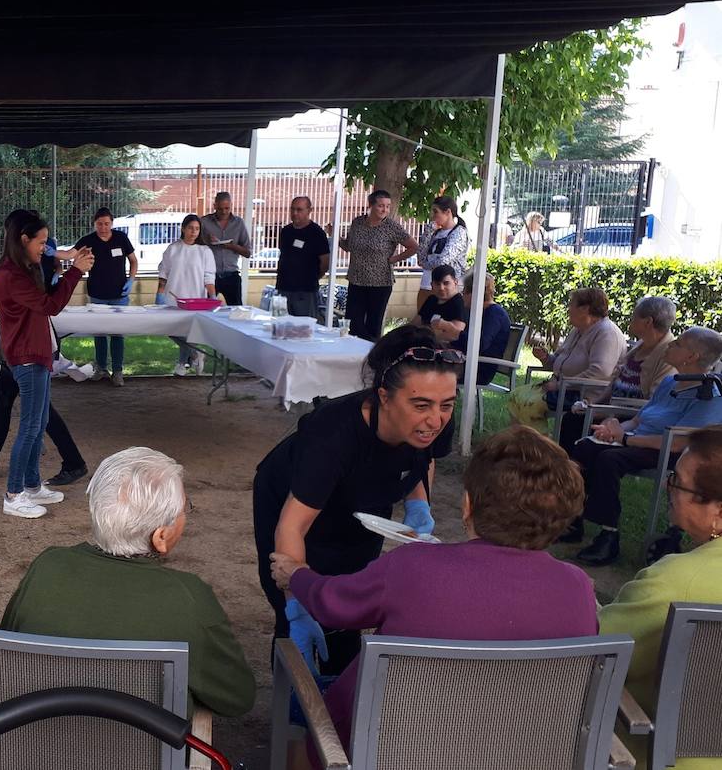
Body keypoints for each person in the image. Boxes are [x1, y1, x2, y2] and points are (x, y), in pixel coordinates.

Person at [269, 425, 597, 749]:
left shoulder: (413, 566)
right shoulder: (577, 587)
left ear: (467, 505)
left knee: (302, 717)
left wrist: (296, 575)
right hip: (523, 749)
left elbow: (332, 604)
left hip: (395, 747)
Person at [252, 325, 461, 674]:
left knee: (349, 594)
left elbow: (422, 460)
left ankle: (339, 676)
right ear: (384, 397)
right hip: (292, 499)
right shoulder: (332, 435)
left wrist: (418, 504)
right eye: (421, 405)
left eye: (447, 405)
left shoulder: (436, 417)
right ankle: (292, 687)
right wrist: (295, 604)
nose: (435, 419)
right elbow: (291, 527)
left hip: (364, 495)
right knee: (298, 605)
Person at [0, 448, 255, 717]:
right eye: (185, 508)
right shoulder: (190, 596)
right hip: (145, 744)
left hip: (34, 737)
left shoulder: (48, 565)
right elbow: (238, 697)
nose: (186, 514)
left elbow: (4, 648)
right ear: (160, 537)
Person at [599, 425, 722, 770]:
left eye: (677, 482)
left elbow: (593, 655)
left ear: (719, 511)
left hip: (656, 757)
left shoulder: (673, 582)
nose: (669, 488)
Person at [563, 327, 722, 566]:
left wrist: (624, 439)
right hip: (637, 441)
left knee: (610, 459)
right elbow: (638, 420)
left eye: (678, 343)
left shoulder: (709, 397)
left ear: (692, 356)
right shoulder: (669, 382)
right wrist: (614, 429)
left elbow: (679, 443)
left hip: (666, 451)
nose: (670, 345)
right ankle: (572, 516)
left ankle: (609, 536)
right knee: (584, 447)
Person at [0, 211, 88, 488]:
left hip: (29, 350)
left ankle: (21, 484)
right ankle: (6, 476)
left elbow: (45, 303)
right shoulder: (16, 268)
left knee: (34, 420)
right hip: (24, 349)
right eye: (42, 242)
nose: (44, 247)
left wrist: (72, 270)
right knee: (23, 415)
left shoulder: (30, 264)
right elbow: (26, 302)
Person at [0, 212, 94, 518]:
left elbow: (47, 287)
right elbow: (51, 305)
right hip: (26, 357)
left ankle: (32, 485)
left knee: (38, 425)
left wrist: (65, 263)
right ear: (23, 239)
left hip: (37, 353)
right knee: (29, 428)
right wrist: (75, 271)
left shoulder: (24, 267)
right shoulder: (12, 274)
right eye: (40, 242)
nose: (45, 247)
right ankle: (13, 495)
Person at [558, 296, 678, 455]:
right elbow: (616, 382)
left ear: (648, 322)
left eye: (634, 316)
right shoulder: (641, 345)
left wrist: (608, 413)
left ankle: (570, 468)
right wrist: (592, 404)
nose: (630, 320)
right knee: (573, 417)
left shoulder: (668, 356)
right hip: (612, 409)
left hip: (629, 416)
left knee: (575, 424)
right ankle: (567, 466)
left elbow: (652, 403)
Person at [339, 190, 419, 342]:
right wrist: (337, 237)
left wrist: (395, 259)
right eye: (381, 206)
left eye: (388, 206)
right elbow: (349, 246)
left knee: (373, 326)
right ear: (371, 205)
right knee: (353, 324)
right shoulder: (357, 223)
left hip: (380, 283)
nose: (385, 210)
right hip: (356, 280)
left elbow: (414, 246)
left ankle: (372, 353)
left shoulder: (391, 227)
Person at [531, 287, 628, 411]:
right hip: (563, 389)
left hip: (585, 396)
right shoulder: (577, 330)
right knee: (517, 396)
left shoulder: (607, 333)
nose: (568, 310)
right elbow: (559, 363)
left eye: (571, 305)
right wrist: (545, 358)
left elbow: (600, 373)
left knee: (526, 402)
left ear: (585, 309)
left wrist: (560, 385)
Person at [74, 208, 138, 387]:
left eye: (107, 224)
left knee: (117, 333)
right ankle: (101, 368)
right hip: (97, 294)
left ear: (112, 223)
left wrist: (131, 280)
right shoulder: (88, 240)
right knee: (99, 333)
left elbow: (133, 260)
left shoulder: (121, 238)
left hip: (119, 295)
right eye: (100, 224)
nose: (103, 227)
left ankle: (117, 371)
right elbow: (71, 254)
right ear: (94, 224)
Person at [155, 214, 215, 376]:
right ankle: (195, 354)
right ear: (183, 228)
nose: (193, 232)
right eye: (190, 228)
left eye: (197, 229)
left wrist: (213, 296)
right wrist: (159, 294)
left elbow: (209, 277)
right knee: (170, 329)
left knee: (187, 332)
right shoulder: (173, 249)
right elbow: (163, 273)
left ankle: (182, 364)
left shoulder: (205, 251)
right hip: (173, 297)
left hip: (195, 299)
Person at [452, 272, 512, 386]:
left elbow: (480, 345)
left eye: (464, 291)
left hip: (479, 370)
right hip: (468, 363)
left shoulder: (494, 314)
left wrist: (454, 333)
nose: (462, 294)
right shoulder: (479, 312)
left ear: (474, 293)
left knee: (427, 369)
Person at [275, 196, 330, 319]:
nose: (295, 213)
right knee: (281, 324)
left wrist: (314, 276)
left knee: (304, 326)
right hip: (283, 287)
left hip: (305, 290)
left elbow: (325, 262)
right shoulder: (286, 231)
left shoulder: (316, 233)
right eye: (292, 209)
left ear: (309, 210)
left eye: (299, 210)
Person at [414, 195, 471, 306]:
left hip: (446, 288)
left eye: (436, 212)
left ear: (448, 212)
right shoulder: (435, 233)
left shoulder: (459, 232)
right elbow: (420, 257)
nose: (433, 216)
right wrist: (428, 232)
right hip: (427, 285)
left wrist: (426, 264)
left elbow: (444, 260)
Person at [200, 191, 252, 306]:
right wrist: (206, 240)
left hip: (231, 276)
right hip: (210, 277)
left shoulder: (239, 223)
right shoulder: (204, 222)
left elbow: (248, 252)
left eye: (227, 208)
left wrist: (231, 246)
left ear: (231, 205)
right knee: (206, 310)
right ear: (214, 206)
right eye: (220, 209)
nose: (224, 212)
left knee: (236, 311)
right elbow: (194, 247)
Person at [412, 264, 466, 341]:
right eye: (437, 284)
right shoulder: (431, 299)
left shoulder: (459, 303)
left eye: (446, 283)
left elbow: (456, 335)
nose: (441, 288)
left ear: (455, 282)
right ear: (432, 285)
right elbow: (415, 323)